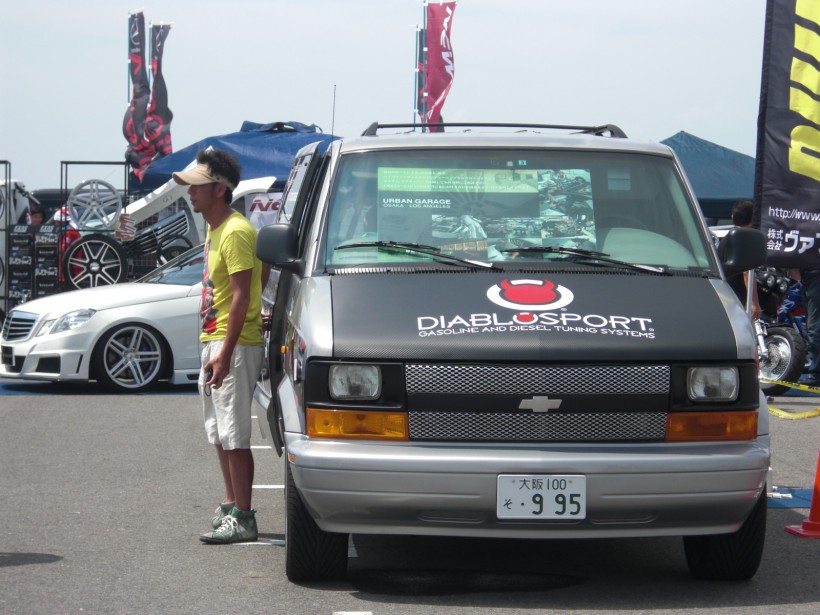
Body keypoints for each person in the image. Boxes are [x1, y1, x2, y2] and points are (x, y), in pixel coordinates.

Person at [172, 149, 264, 544]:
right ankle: (231, 503)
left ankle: (244, 516)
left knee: (234, 433)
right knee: (218, 431)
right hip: (216, 340)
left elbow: (242, 295)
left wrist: (225, 354)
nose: (190, 192)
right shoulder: (216, 229)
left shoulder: (237, 231)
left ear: (220, 189)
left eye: (197, 185)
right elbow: (248, 282)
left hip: (233, 344)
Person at [723, 200, 761, 319]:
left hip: (727, 295)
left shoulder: (728, 237)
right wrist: (754, 303)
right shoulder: (744, 239)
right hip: (739, 300)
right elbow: (747, 273)